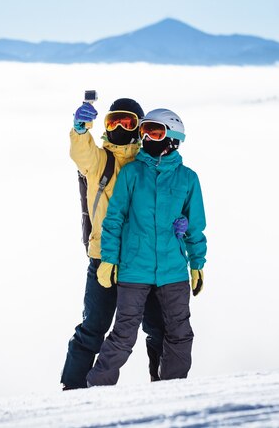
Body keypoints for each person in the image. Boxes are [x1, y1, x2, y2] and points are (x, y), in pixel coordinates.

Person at [61, 99, 185, 389]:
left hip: (143, 261)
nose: (119, 128)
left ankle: (163, 384)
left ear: (140, 127)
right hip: (103, 258)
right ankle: (72, 389)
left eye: (127, 122)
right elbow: (82, 154)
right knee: (93, 328)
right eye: (113, 121)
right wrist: (79, 130)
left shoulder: (150, 162)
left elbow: (169, 197)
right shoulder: (99, 160)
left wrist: (180, 222)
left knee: (158, 328)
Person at [86, 108, 207, 386]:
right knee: (124, 334)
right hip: (134, 268)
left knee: (179, 333)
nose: (148, 138)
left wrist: (197, 264)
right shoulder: (132, 174)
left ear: (173, 138)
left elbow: (195, 226)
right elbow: (114, 219)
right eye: (145, 131)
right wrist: (109, 260)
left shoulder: (188, 179)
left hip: (173, 271)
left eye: (156, 132)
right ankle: (95, 388)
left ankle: (171, 389)